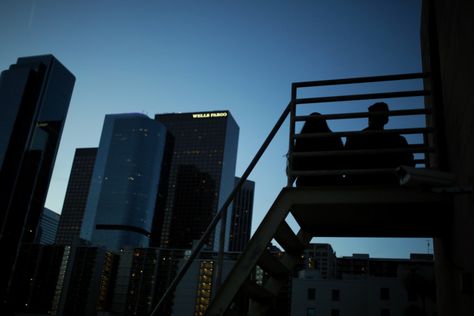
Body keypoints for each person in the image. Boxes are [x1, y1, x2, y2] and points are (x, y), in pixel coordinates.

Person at [344, 102, 415, 184]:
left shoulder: (354, 138)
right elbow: (408, 164)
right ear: (386, 119)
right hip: (389, 184)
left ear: (369, 117)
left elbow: (345, 165)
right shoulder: (397, 140)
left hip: (361, 183)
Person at [292, 112, 344, 186]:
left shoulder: (301, 140)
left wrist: (290, 182)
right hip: (332, 181)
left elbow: (295, 166)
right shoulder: (334, 138)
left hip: (306, 183)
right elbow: (343, 162)